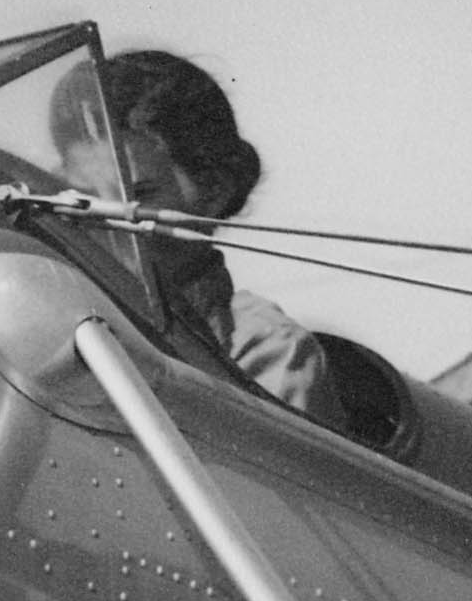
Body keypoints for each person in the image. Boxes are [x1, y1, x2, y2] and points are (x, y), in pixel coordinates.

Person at [50, 48, 346, 427]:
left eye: (138, 195)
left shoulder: (265, 350)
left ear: (214, 190)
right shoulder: (68, 331)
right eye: (88, 200)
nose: (110, 223)